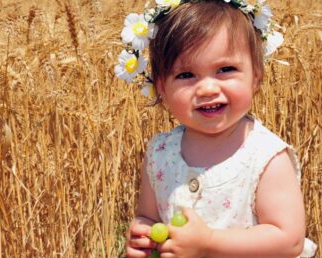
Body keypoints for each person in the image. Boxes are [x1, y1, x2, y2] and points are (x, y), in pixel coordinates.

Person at [114, 0, 318, 257]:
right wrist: (142, 235)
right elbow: (148, 217)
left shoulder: (265, 156)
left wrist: (209, 242)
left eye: (225, 69)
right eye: (186, 75)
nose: (207, 89)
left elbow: (287, 241)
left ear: (256, 76)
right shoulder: (161, 153)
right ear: (161, 88)